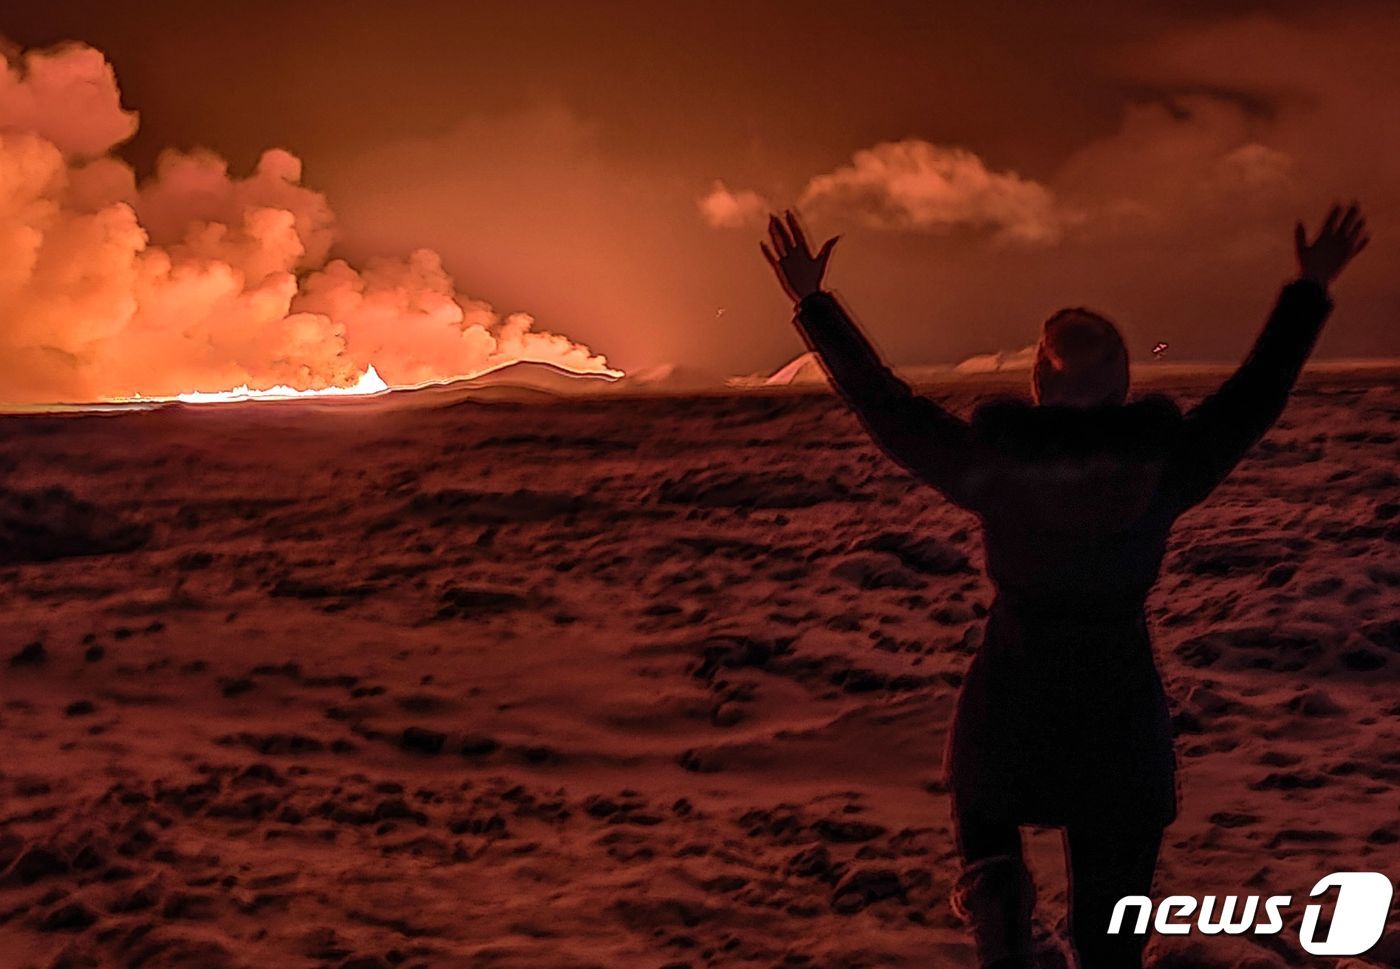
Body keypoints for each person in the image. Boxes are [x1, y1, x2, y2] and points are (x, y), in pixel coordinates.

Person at [760, 205, 1369, 969]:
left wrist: (815, 304)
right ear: (1122, 383)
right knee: (1110, 933)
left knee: (984, 817)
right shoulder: (1162, 465)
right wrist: (1309, 288)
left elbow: (887, 408)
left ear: (1038, 385)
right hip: (1118, 708)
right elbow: (1254, 396)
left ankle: (1002, 918)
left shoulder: (996, 465)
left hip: (1013, 690)